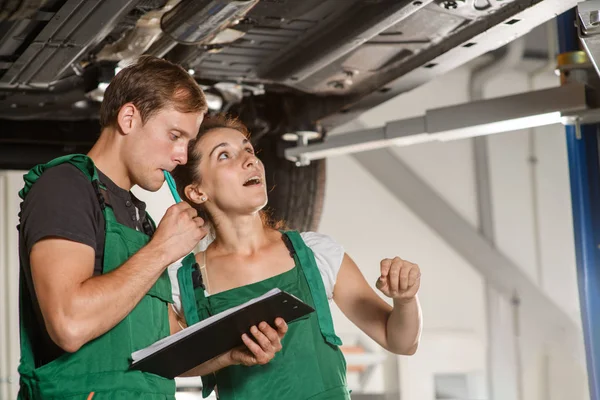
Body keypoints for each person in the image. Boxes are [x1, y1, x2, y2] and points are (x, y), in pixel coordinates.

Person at [16, 56, 287, 400]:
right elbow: (69, 324)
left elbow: (158, 348)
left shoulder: (138, 218)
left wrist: (230, 353)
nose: (179, 156)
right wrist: (161, 250)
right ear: (129, 118)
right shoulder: (67, 186)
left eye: (187, 143)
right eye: (174, 135)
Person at [170, 114, 423, 400]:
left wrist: (405, 299)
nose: (250, 160)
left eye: (249, 150)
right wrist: (229, 355)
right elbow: (168, 364)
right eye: (225, 155)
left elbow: (400, 341)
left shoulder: (316, 254)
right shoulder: (184, 282)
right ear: (197, 191)